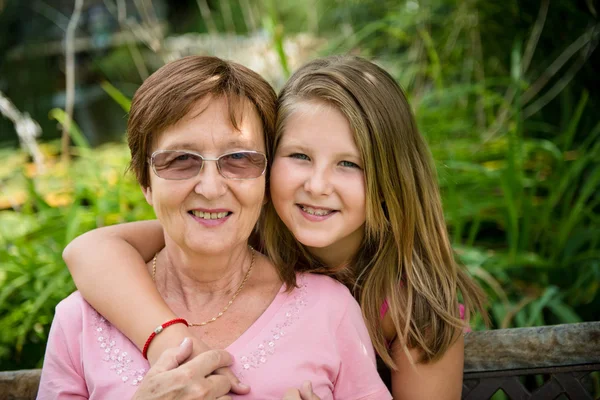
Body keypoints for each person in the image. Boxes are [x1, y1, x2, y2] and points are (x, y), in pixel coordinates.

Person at [62, 55, 486, 399]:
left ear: (389, 179)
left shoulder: (412, 304)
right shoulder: (237, 226)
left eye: (349, 164)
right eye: (298, 156)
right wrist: (170, 344)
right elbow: (89, 252)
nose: (316, 186)